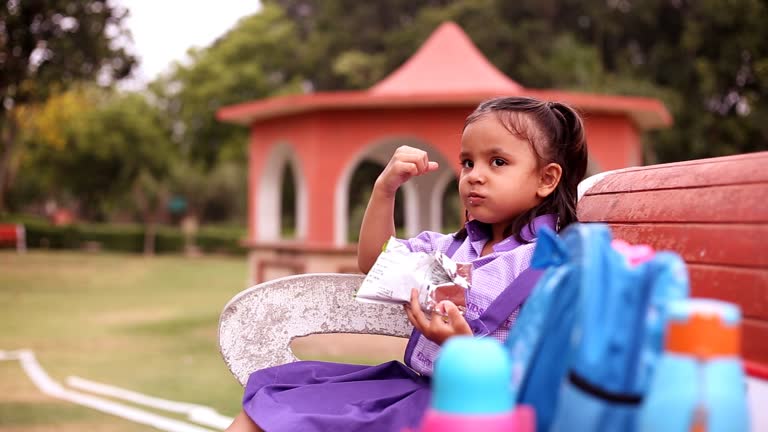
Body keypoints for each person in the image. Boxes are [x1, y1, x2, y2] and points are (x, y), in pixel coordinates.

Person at [224, 96, 589, 432]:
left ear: (547, 179)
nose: (475, 175)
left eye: (498, 162)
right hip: (414, 388)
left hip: (477, 409)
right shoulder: (448, 249)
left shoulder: (550, 266)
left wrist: (466, 348)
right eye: (467, 162)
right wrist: (385, 189)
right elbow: (375, 261)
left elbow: (553, 370)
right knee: (271, 408)